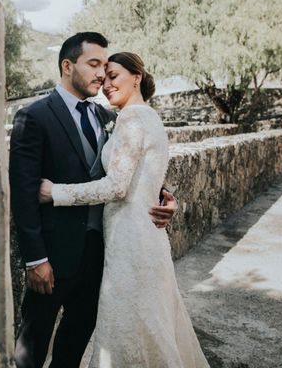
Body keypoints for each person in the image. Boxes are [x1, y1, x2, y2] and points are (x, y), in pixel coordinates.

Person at [10, 32, 179, 368]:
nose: (102, 74)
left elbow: (132, 170)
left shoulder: (109, 118)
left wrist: (167, 197)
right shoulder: (35, 116)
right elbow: (24, 192)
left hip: (102, 256)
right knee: (33, 344)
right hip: (53, 257)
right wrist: (35, 260)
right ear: (67, 65)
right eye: (94, 64)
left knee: (74, 343)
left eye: (106, 66)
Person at [39, 51, 209, 367]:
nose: (106, 86)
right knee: (148, 322)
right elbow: (145, 176)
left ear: (137, 76)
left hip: (130, 240)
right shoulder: (150, 116)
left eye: (113, 76)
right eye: (103, 80)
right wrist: (164, 195)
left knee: (132, 323)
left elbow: (117, 187)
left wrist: (55, 193)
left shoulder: (132, 119)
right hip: (143, 237)